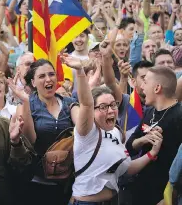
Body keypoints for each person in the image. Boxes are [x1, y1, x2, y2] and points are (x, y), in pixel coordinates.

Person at [59, 53, 162, 205]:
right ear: (92, 112)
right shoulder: (87, 132)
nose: (111, 110)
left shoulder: (116, 132)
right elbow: (86, 103)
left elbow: (126, 168)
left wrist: (152, 154)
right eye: (103, 107)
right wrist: (80, 72)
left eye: (113, 105)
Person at [7, 58, 79, 205]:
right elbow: (30, 140)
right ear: (33, 82)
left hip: (69, 183)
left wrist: (81, 73)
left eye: (51, 74)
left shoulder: (69, 103)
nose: (48, 79)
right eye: (41, 76)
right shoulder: (26, 105)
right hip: (37, 184)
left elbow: (84, 130)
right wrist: (25, 101)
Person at [126, 66, 182, 205]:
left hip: (166, 194)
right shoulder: (149, 112)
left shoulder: (179, 116)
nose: (142, 86)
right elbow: (130, 145)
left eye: (145, 82)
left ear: (157, 88)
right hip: (142, 189)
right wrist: (142, 140)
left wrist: (170, 197)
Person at [100, 40, 154, 139]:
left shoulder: (162, 103)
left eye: (151, 78)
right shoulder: (126, 102)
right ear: (133, 82)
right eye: (143, 78)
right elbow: (111, 83)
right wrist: (105, 56)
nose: (147, 82)